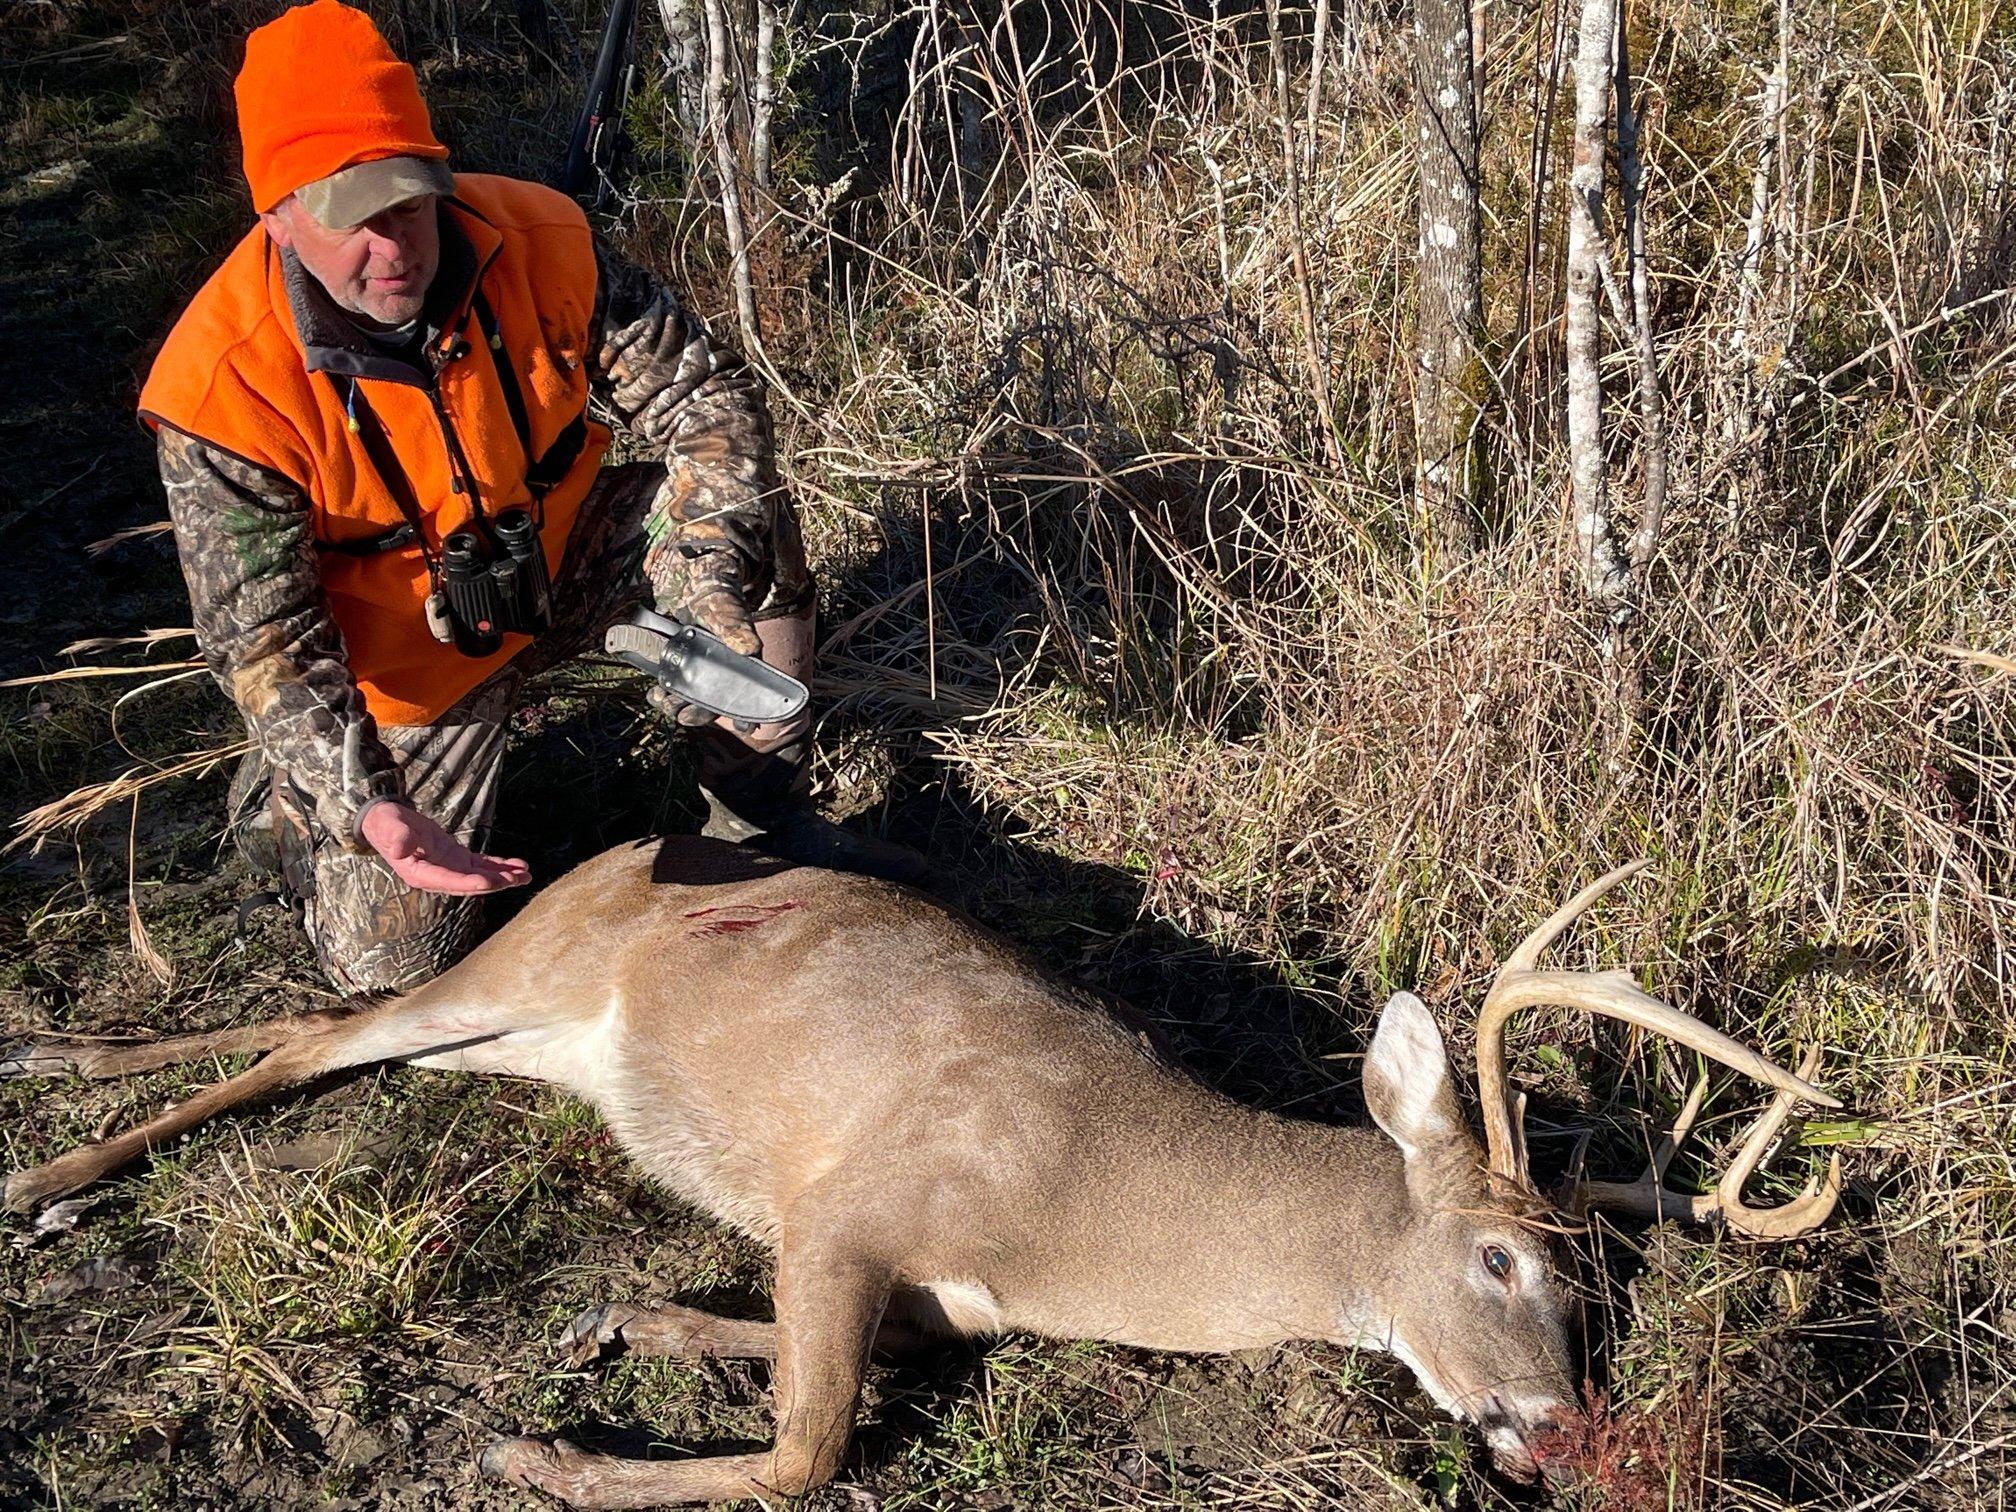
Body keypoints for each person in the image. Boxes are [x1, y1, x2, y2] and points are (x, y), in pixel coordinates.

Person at [140, 0, 919, 994]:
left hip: (565, 562)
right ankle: (284, 809)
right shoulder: (223, 392)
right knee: (390, 970)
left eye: (410, 204)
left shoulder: (544, 239)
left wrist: (707, 576)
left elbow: (708, 403)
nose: (397, 249)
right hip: (408, 671)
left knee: (751, 512)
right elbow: (262, 644)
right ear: (278, 219)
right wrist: (365, 804)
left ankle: (763, 828)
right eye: (353, 222)